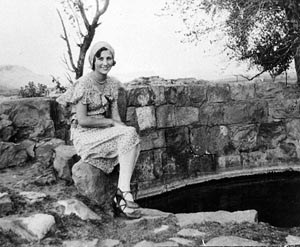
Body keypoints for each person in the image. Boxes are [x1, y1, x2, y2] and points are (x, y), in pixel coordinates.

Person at [57, 41, 141, 219]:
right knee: (130, 137)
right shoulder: (84, 84)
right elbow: (83, 120)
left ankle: (122, 192)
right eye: (100, 58)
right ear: (93, 61)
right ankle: (124, 194)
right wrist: (110, 122)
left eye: (109, 58)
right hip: (84, 134)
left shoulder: (112, 84)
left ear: (113, 61)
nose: (105, 62)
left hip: (102, 132)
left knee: (133, 138)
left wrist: (124, 129)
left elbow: (116, 118)